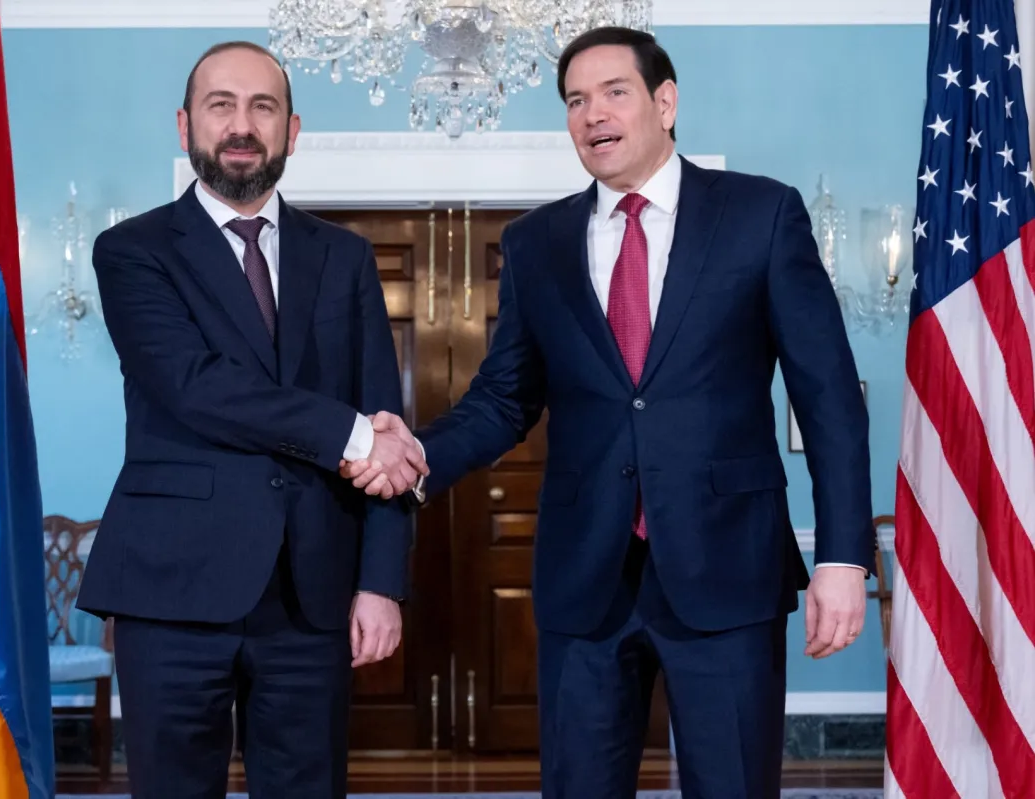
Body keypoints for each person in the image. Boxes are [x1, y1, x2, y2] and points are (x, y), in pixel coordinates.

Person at [342, 26, 874, 799]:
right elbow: (505, 396)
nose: (593, 114)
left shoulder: (761, 215)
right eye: (575, 101)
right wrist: (417, 453)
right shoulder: (536, 243)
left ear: (665, 102)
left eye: (614, 92)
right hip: (585, 576)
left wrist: (842, 558)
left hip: (727, 569)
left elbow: (828, 399)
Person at [76, 40, 427, 799]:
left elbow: (388, 423)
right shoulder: (132, 252)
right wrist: (353, 435)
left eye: (263, 107)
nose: (243, 125)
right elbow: (195, 386)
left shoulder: (346, 258)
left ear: (292, 130)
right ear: (185, 126)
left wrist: (382, 581)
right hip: (170, 592)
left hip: (314, 592)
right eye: (222, 106)